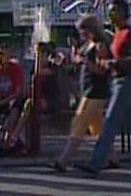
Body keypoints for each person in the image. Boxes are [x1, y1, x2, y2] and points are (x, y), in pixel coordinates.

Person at [75, 0, 131, 175]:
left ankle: (95, 163)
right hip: (118, 81)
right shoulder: (117, 33)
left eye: (113, 11)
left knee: (111, 121)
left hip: (126, 82)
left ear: (122, 13)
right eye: (109, 11)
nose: (110, 14)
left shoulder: (129, 34)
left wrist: (114, 63)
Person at [50, 14, 117, 172]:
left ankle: (63, 160)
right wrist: (67, 57)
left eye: (83, 32)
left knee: (79, 123)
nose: (81, 35)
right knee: (97, 126)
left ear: (91, 30)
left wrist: (85, 61)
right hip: (88, 89)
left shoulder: (100, 46)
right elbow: (76, 60)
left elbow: (102, 70)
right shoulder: (88, 45)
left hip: (96, 91)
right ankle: (113, 157)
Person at [8, 42, 61, 152]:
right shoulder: (34, 67)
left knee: (30, 104)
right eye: (37, 54)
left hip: (51, 100)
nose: (39, 57)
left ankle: (15, 134)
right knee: (19, 103)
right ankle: (9, 136)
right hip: (36, 99)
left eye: (42, 54)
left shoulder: (52, 68)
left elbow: (38, 75)